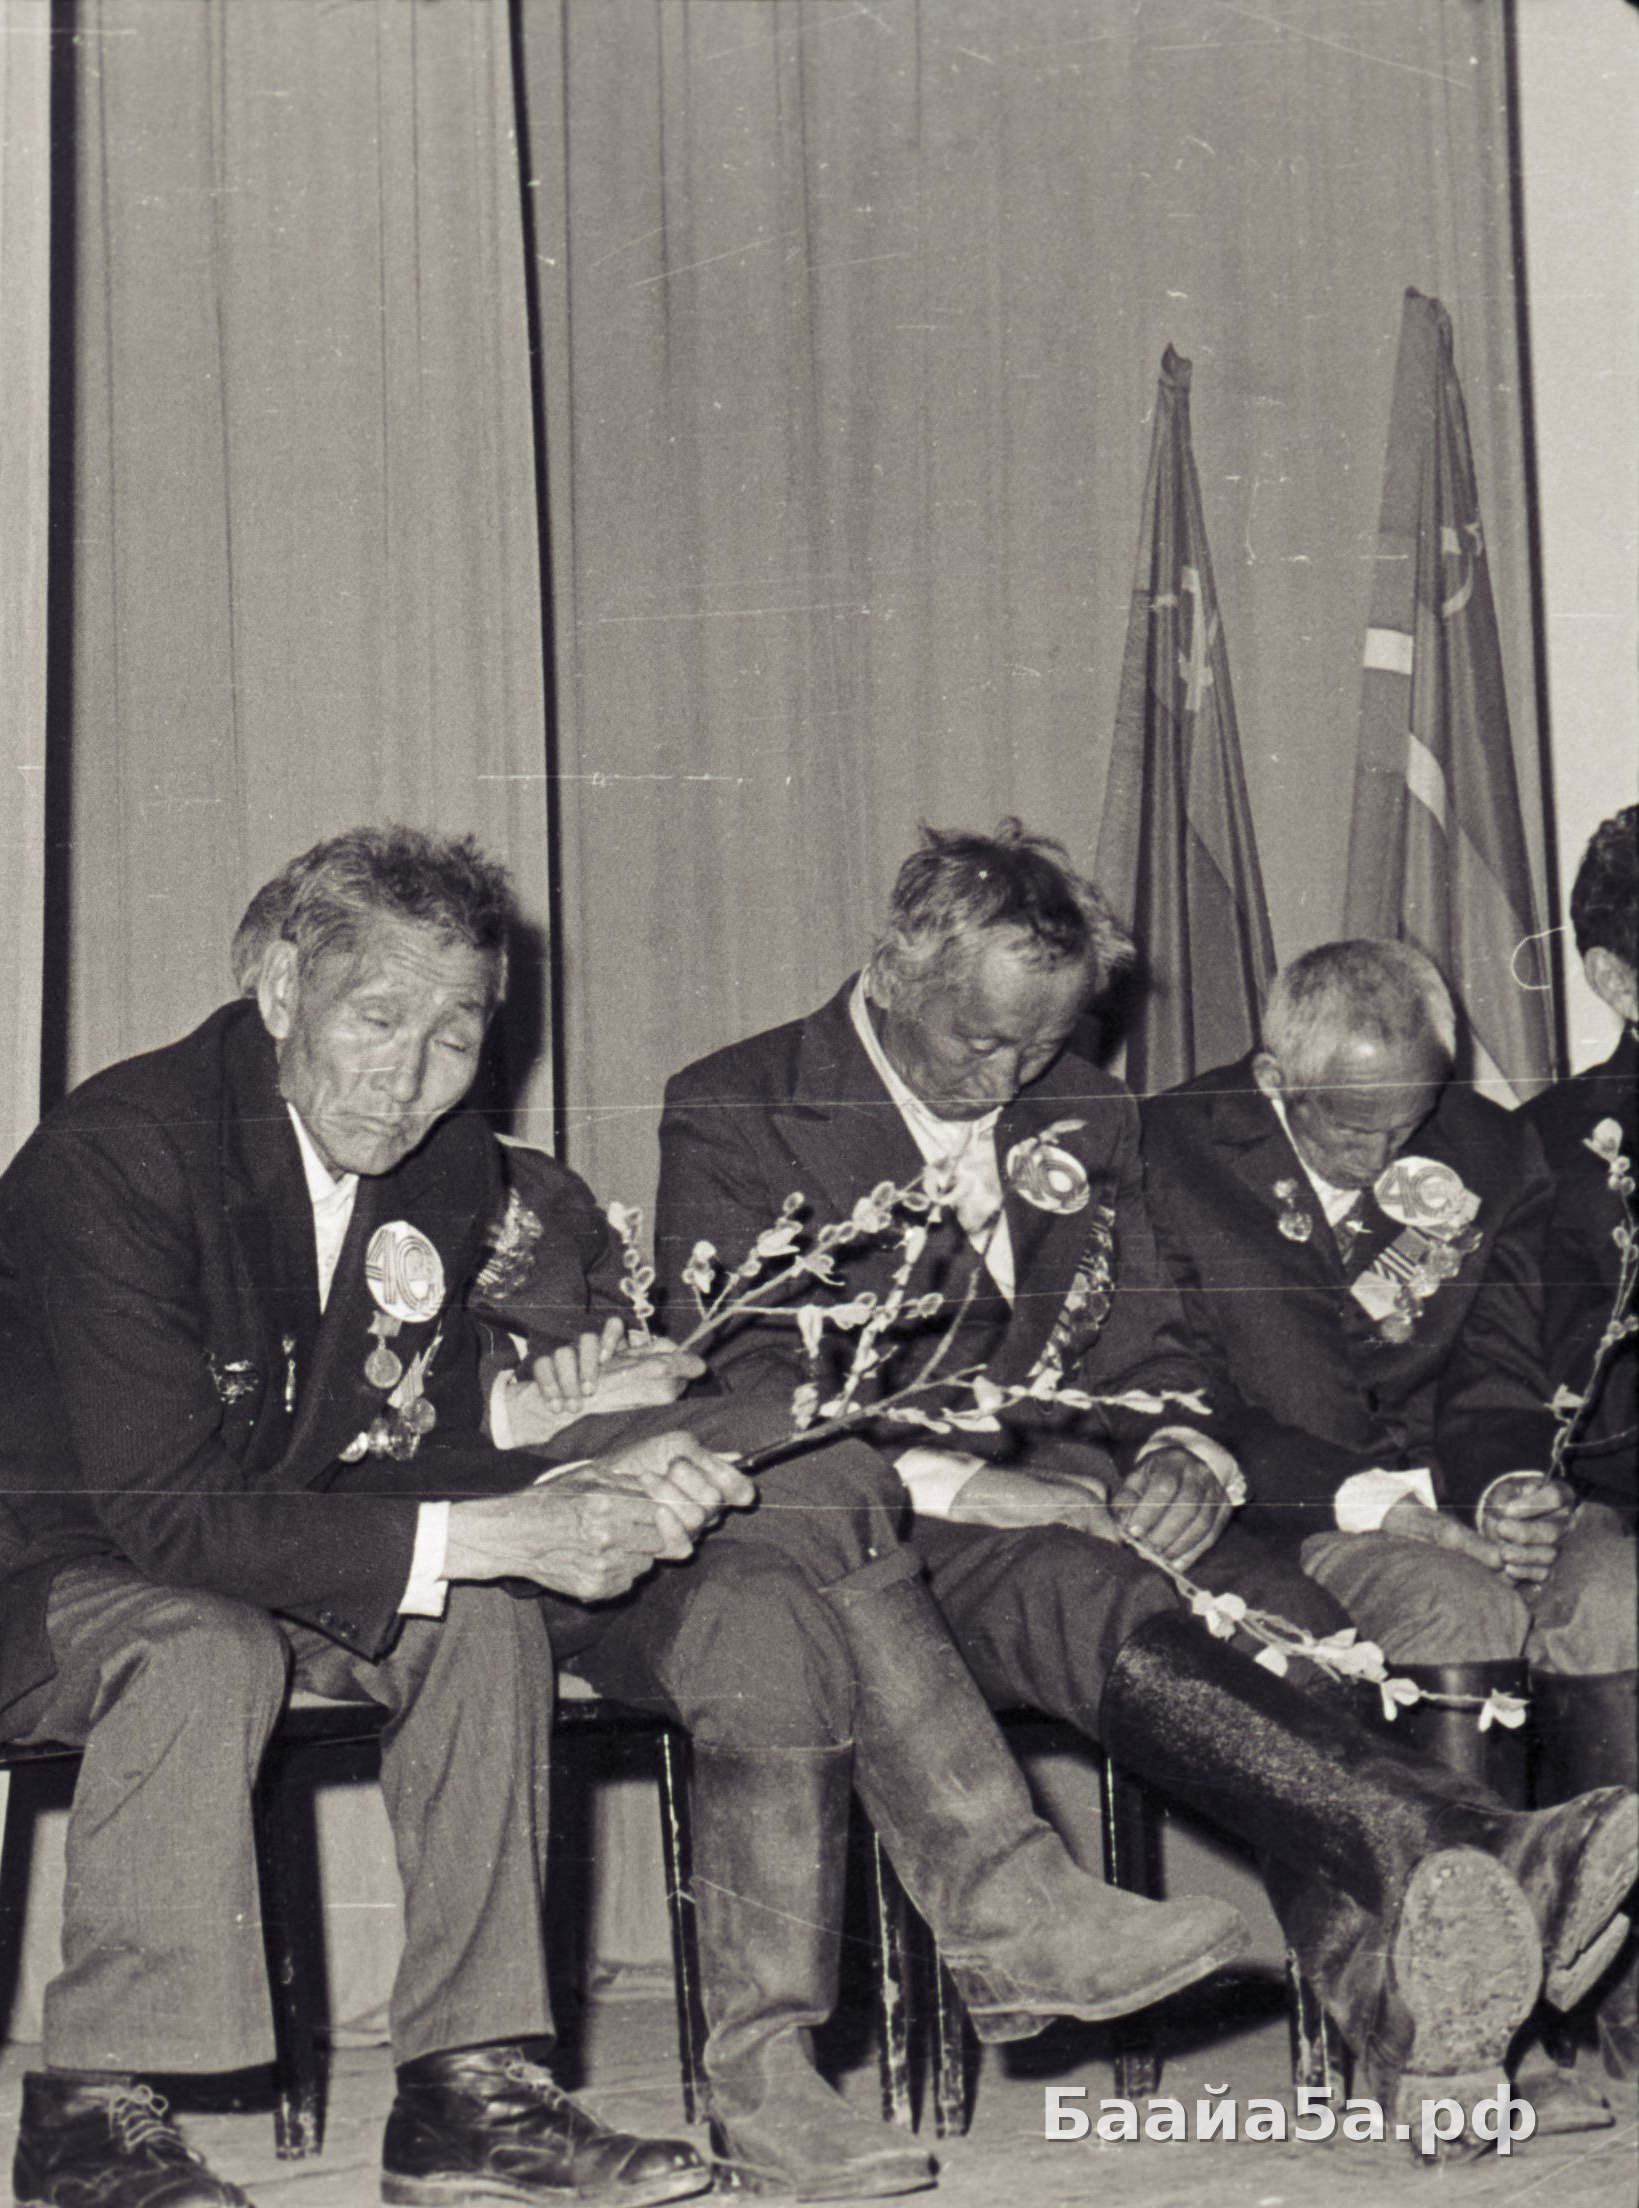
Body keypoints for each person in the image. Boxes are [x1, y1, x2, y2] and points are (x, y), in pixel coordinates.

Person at [0, 829, 1237, 2208]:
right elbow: (171, 1509)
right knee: (213, 1646)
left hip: (257, 1536)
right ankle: (90, 2110)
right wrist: (499, 1524)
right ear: (282, 987)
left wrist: (550, 1450)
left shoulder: (441, 1163)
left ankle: (469, 2093)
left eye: (455, 1037)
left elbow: (384, 1436)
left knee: (529, 1596)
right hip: (14, 1579)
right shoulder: (124, 1149)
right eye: (377, 1020)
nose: (411, 1079)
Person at [657, 822, 1639, 2133]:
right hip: (885, 1530)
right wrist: (966, 1489)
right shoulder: (737, 1104)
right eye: (981, 1042)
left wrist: (1183, 1448)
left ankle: (1422, 2031)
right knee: (1083, 1585)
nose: (1010, 1079)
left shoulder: (1087, 1105)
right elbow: (746, 1385)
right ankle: (1482, 1854)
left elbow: (1158, 1348)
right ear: (892, 971)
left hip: (1091, 1500)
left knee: (1301, 1620)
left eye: (1041, 1045)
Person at [1143, 939, 1632, 1750]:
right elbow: (1185, 1398)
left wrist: (1505, 1490)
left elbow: (1497, 1371)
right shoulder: (1161, 1153)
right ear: (1273, 1078)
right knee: (1456, 1606)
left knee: (1619, 1592)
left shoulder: (1495, 1152)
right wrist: (1377, 1508)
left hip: (1457, 1496)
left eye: (1408, 1124)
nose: (1380, 1160)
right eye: (1349, 1128)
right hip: (1285, 1517)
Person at [1519, 805, 1639, 2088]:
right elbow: (1530, 1388)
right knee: (1602, 1607)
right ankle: (1626, 1982)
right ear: (1614, 978)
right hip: (1616, 1495)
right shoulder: (1554, 1147)